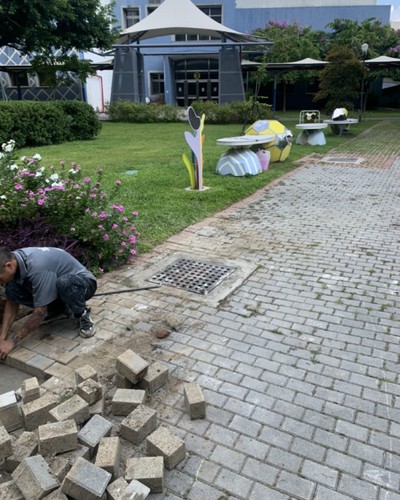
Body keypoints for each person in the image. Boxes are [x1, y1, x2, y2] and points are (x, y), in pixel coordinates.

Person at [0, 246, 97, 359]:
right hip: (57, 285)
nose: (0, 282)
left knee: (64, 283)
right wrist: (2, 338)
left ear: (9, 266)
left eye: (0, 279)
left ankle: (82, 314)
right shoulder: (12, 260)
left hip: (82, 283)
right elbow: (11, 303)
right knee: (12, 289)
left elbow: (39, 313)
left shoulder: (37, 266)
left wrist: (12, 341)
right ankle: (59, 309)